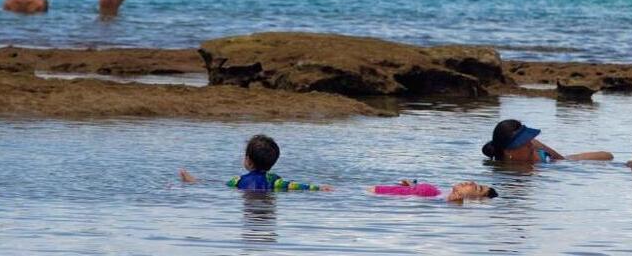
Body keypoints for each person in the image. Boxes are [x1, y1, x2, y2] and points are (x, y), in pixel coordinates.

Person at [179, 134, 333, 191]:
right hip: (268, 192)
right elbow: (295, 186)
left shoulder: (237, 181)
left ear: (248, 161)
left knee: (215, 183)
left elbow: (218, 186)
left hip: (237, 188)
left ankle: (193, 181)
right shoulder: (274, 180)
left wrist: (197, 182)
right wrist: (318, 188)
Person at [482, 119, 613, 162]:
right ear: (508, 152)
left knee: (607, 156)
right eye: (523, 142)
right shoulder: (510, 171)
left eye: (528, 139)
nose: (529, 143)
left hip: (565, 161)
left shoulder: (534, 148)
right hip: (559, 163)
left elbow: (562, 160)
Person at [369, 179, 498, 201]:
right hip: (375, 192)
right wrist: (410, 185)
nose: (471, 182)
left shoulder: (450, 199)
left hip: (375, 194)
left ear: (475, 198)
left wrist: (456, 202)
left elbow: (454, 203)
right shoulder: (441, 192)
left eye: (476, 187)